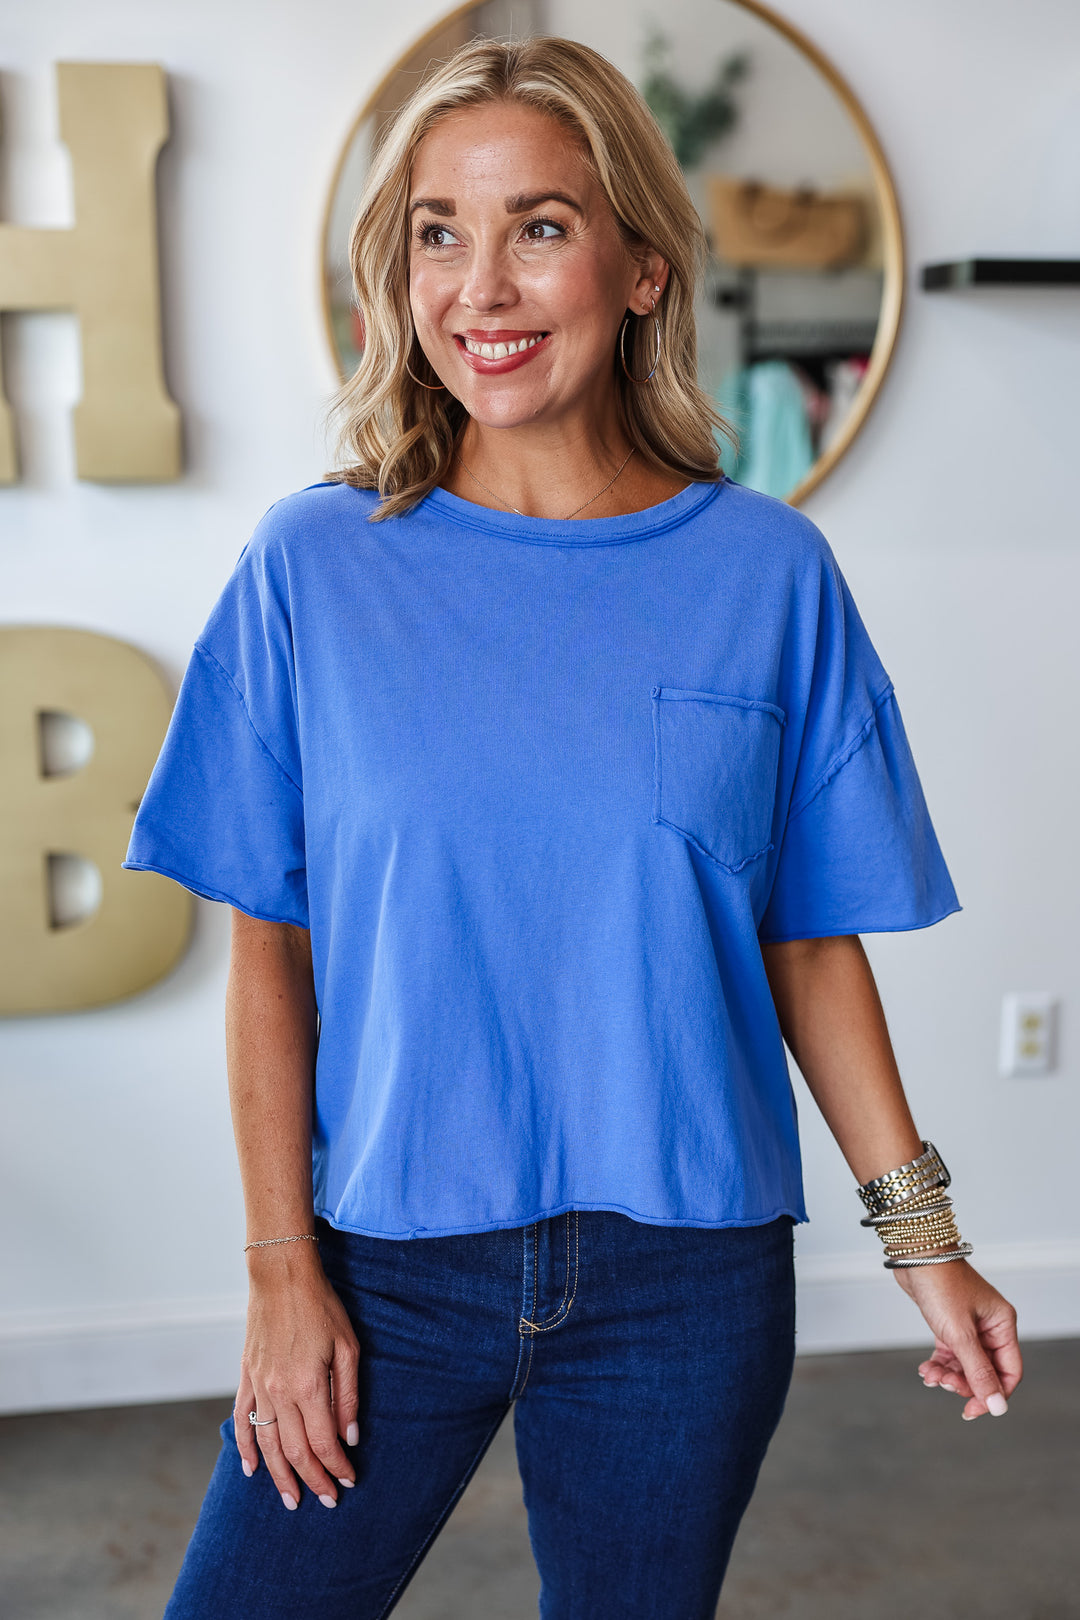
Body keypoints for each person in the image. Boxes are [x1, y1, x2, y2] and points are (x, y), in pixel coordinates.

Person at [123, 35, 1022, 1620]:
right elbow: (273, 938)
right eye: (438, 232)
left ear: (643, 271)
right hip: (382, 1265)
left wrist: (925, 1242)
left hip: (686, 1282)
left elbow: (810, 948)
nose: (483, 285)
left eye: (539, 225)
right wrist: (280, 1273)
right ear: (397, 275)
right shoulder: (313, 570)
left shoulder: (767, 576)